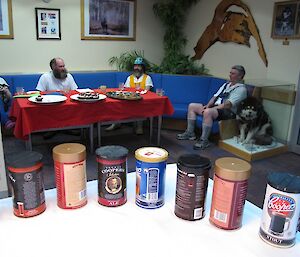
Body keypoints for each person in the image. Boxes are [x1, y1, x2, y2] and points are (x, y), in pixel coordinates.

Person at [177, 65, 247, 150]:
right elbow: (215, 96)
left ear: (240, 76)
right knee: (192, 106)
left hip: (228, 112)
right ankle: (190, 133)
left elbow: (227, 105)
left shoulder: (241, 89)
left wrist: (211, 109)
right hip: (216, 108)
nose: (230, 75)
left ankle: (204, 140)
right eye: (230, 73)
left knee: (208, 112)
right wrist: (208, 105)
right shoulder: (226, 85)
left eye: (233, 73)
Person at [106, 57, 153, 134]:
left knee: (140, 105)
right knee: (118, 104)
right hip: (129, 98)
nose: (137, 68)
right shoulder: (129, 78)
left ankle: (139, 126)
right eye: (135, 66)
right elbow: (126, 90)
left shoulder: (147, 78)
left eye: (139, 66)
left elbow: (147, 91)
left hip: (141, 100)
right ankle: (116, 123)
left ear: (142, 67)